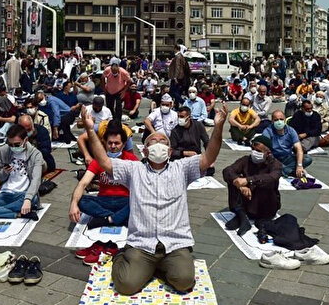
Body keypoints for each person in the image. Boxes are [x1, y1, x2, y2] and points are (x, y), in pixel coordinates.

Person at [82, 103, 227, 295]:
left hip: (174, 244)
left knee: (184, 281)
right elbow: (104, 161)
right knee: (126, 285)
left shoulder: (182, 168)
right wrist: (90, 130)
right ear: (145, 151)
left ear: (169, 151)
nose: (158, 143)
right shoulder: (134, 169)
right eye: (153, 141)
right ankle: (122, 256)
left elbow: (209, 157)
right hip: (142, 243)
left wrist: (218, 127)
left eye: (163, 141)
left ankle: (156, 268)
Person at [69, 122, 132, 230]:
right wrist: (73, 204)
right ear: (105, 143)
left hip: (125, 200)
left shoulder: (131, 159)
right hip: (104, 200)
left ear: (124, 144)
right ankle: (118, 217)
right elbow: (83, 183)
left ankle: (107, 219)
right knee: (79, 200)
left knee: (139, 201)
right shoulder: (98, 160)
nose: (113, 146)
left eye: (117, 143)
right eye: (110, 143)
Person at [221, 135, 282, 236]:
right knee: (234, 181)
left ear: (268, 153)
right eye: (253, 149)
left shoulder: (275, 164)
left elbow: (272, 177)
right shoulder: (246, 160)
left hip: (266, 206)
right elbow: (228, 170)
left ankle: (244, 217)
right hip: (248, 201)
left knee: (264, 183)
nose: (254, 152)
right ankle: (242, 216)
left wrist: (248, 181)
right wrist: (240, 185)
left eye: (258, 151)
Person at [0, 125, 42, 219]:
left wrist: (28, 199)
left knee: (33, 198)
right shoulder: (4, 150)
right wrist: (4, 172)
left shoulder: (35, 154)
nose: (13, 147)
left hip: (23, 194)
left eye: (17, 144)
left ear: (26, 140)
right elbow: (0, 177)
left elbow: (36, 179)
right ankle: (18, 214)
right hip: (5, 193)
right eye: (10, 144)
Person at [262, 110, 310, 178]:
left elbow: (299, 148)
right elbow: (265, 150)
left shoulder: (291, 131)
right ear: (272, 121)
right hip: (274, 158)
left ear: (284, 119)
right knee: (269, 162)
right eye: (276, 120)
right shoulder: (267, 131)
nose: (279, 122)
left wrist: (299, 165)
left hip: (287, 157)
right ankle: (289, 171)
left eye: (281, 119)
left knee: (307, 159)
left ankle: (283, 170)